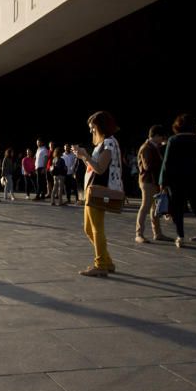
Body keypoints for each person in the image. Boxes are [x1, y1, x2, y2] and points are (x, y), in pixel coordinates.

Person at [75, 112, 122, 277]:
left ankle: (101, 264)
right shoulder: (104, 143)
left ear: (100, 126)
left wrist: (86, 155)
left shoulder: (109, 143)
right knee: (89, 228)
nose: (91, 131)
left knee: (96, 229)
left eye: (92, 127)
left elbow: (100, 168)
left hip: (99, 189)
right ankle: (107, 262)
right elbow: (93, 167)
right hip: (92, 189)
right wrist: (83, 157)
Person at [159, 114, 196, 250]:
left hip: (176, 180)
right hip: (194, 178)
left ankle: (180, 237)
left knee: (177, 209)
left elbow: (166, 163)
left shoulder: (173, 140)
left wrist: (162, 181)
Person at [135, 125, 171, 244]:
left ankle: (157, 233)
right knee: (146, 206)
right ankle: (139, 234)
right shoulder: (147, 147)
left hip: (153, 181)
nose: (162, 140)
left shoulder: (154, 147)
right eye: (161, 137)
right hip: (147, 181)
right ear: (156, 136)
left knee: (154, 208)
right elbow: (147, 166)